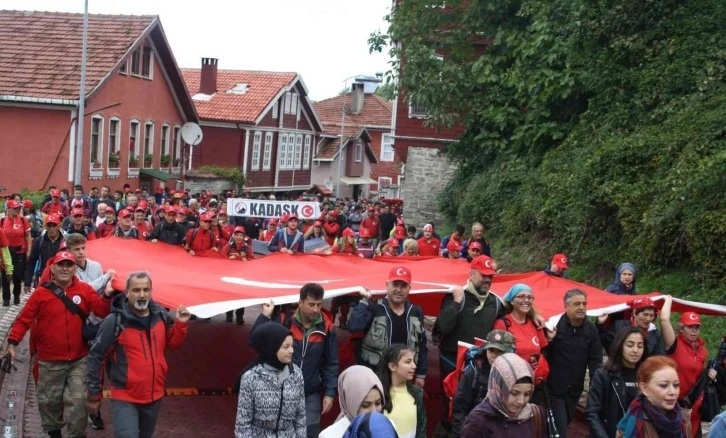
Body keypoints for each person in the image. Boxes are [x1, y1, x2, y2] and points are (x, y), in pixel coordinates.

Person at [4, 251, 113, 438]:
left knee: (78, 403)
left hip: (79, 360)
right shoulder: (41, 294)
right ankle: (55, 434)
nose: (64, 268)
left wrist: (108, 295)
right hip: (49, 361)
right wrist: (12, 343)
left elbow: (102, 311)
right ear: (52, 268)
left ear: (74, 269)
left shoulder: (85, 290)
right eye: (60, 265)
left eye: (69, 265)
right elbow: (24, 320)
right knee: (49, 403)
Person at [86, 272, 190, 438]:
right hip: (125, 397)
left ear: (151, 291)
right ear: (126, 292)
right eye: (136, 290)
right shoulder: (114, 321)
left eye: (145, 290)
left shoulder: (161, 316)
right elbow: (96, 356)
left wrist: (181, 325)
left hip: (154, 396)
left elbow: (173, 344)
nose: (142, 295)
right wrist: (93, 393)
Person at [253, 284, 339, 438]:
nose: (315, 309)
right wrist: (265, 316)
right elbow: (255, 342)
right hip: (280, 391)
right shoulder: (283, 321)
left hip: (310, 393)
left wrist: (330, 393)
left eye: (319, 305)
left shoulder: (327, 328)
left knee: (310, 433)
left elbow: (331, 363)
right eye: (311, 304)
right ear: (300, 303)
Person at [348, 267, 428, 387]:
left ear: (409, 289)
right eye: (395, 285)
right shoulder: (374, 307)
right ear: (387, 285)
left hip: (403, 377)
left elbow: (421, 345)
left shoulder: (416, 312)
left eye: (403, 286)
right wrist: (364, 300)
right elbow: (353, 326)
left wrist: (421, 374)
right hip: (374, 376)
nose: (399, 290)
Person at [544, 289, 603, 437]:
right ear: (566, 306)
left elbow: (595, 361)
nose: (582, 307)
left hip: (575, 390)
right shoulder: (554, 325)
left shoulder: (591, 330)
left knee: (565, 423)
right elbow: (544, 353)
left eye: (584, 303)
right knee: (560, 430)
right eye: (577, 304)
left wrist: (596, 388)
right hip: (554, 389)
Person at [235, 322, 307, 438]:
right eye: (286, 347)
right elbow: (243, 425)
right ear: (271, 348)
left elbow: (300, 418)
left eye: (292, 346)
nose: (291, 351)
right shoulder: (251, 378)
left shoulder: (296, 374)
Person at [659, 295, 715, 436]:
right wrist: (668, 300)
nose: (694, 331)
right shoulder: (674, 344)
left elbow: (699, 375)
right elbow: (664, 320)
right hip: (675, 404)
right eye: (690, 327)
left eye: (697, 327)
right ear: (681, 328)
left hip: (695, 407)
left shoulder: (702, 348)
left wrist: (711, 375)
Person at [460, 353, 545, 438]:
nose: (521, 401)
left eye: (527, 394)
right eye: (514, 393)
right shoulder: (479, 420)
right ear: (499, 388)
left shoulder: (535, 415)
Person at [586, 326, 647, 438]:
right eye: (630, 345)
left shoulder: (647, 375)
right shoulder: (604, 374)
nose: (635, 350)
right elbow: (592, 413)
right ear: (620, 346)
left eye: (640, 346)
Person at [451, 330, 515, 435]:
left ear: (509, 352)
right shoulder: (473, 373)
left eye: (499, 352)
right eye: (491, 350)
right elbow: (459, 410)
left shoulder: (517, 374)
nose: (494, 356)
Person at [493, 284, 553, 384]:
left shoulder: (535, 323)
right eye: (521, 296)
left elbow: (543, 351)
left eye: (529, 297)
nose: (526, 300)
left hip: (532, 382)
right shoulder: (503, 323)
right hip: (510, 382)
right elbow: (495, 355)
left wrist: (538, 359)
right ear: (511, 301)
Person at [616, 356, 685, 438]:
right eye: (663, 385)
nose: (672, 392)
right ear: (645, 388)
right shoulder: (633, 423)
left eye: (676, 385)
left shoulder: (682, 417)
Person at [320, 365, 385, 438]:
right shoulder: (330, 435)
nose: (374, 411)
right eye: (365, 405)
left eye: (378, 403)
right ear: (350, 404)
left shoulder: (389, 427)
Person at [377, 344, 426, 438]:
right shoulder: (377, 394)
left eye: (413, 361)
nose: (414, 366)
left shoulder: (417, 393)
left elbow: (421, 428)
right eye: (408, 362)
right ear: (392, 366)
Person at [599, 296, 666, 356]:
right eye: (645, 314)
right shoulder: (619, 326)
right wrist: (600, 324)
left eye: (651, 315)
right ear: (635, 313)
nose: (648, 319)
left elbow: (660, 357)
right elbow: (603, 340)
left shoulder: (655, 334)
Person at [1, 199, 32, 306]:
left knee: (17, 275)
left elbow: (28, 236)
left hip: (19, 251)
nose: (16, 210)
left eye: (18, 208)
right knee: (5, 275)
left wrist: (29, 250)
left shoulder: (23, 220)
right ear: (8, 209)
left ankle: (16, 294)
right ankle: (6, 298)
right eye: (14, 208)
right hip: (6, 252)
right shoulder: (2, 221)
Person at [24, 214, 65, 293]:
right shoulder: (39, 241)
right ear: (45, 227)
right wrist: (27, 282)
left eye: (54, 225)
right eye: (49, 226)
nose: (51, 229)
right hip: (43, 277)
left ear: (59, 226)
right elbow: (31, 262)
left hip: (60, 279)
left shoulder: (64, 242)